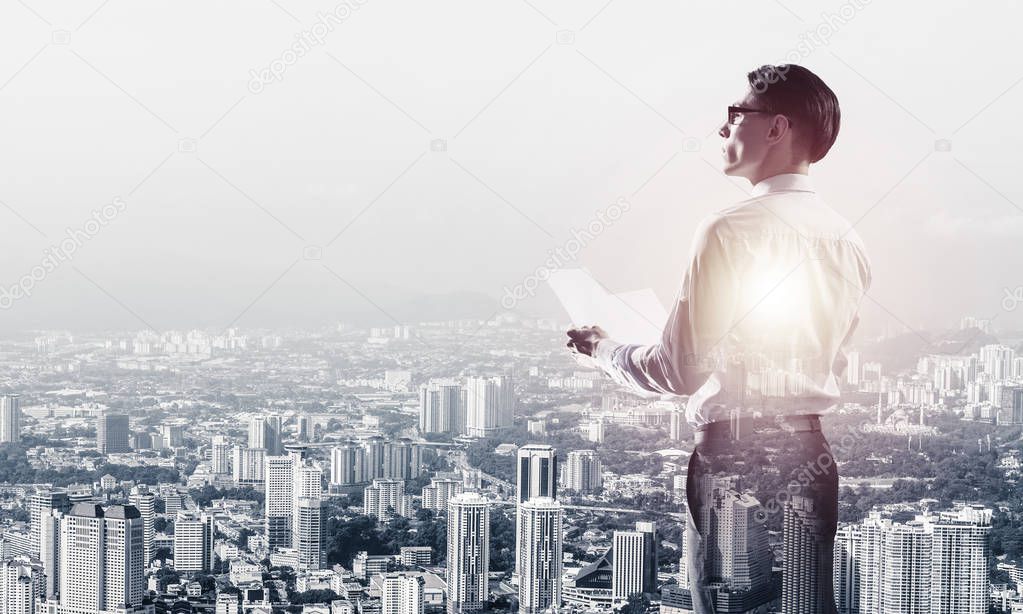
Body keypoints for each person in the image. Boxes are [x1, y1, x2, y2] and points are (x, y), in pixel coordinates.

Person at [567, 64, 870, 612]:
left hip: (735, 455)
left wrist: (604, 350)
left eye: (736, 115)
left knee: (732, 601)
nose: (723, 130)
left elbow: (680, 370)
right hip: (812, 452)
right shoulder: (848, 240)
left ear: (776, 128)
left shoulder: (727, 229)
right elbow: (834, 360)